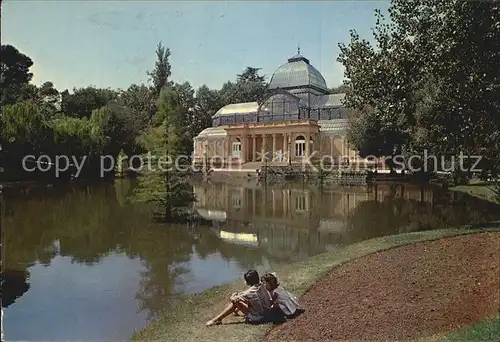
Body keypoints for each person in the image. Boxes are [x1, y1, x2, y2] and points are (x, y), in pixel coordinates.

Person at [205, 269, 272, 326]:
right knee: (244, 300)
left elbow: (233, 299)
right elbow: (250, 292)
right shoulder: (263, 285)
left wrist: (233, 296)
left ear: (247, 282)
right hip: (268, 313)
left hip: (259, 318)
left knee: (235, 301)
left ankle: (217, 319)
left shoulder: (248, 293)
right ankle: (234, 312)